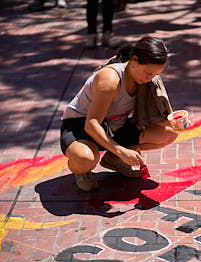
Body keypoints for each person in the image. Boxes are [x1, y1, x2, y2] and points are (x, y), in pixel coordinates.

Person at [60, 36, 178, 191]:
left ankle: (114, 159)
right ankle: (83, 170)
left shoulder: (143, 79)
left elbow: (154, 118)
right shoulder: (109, 80)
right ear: (134, 61)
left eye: (155, 75)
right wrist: (121, 150)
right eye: (148, 73)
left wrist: (174, 120)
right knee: (85, 158)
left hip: (115, 125)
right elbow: (91, 124)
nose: (150, 79)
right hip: (81, 126)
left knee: (169, 133)